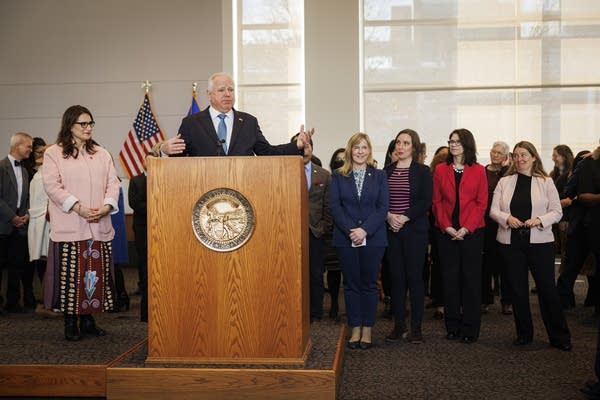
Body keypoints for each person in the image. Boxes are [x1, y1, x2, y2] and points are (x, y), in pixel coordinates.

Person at [43, 105, 120, 341]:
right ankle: (70, 322)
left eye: (90, 123)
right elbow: (53, 186)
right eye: (83, 124)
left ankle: (88, 319)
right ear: (70, 126)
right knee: (71, 277)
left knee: (94, 275)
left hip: (98, 226)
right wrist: (79, 208)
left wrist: (107, 206)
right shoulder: (54, 153)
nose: (88, 128)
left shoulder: (101, 153)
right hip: (71, 225)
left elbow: (113, 183)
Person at [490, 141, 571, 351]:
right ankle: (524, 334)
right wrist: (506, 218)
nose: (520, 159)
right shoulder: (504, 182)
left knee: (547, 290)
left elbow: (556, 211)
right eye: (516, 156)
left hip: (540, 243)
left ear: (534, 157)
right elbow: (493, 211)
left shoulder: (545, 181)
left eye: (524, 155)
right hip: (511, 242)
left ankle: (559, 337)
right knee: (517, 291)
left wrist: (540, 220)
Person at [158, 72, 312, 157]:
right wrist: (165, 149)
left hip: (242, 189)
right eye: (221, 90)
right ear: (209, 94)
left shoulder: (248, 122)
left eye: (231, 90)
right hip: (203, 190)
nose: (227, 94)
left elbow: (267, 152)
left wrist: (296, 145)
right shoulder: (192, 123)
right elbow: (178, 158)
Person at [329, 133, 389, 350]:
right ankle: (355, 326)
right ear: (349, 151)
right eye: (356, 148)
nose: (360, 151)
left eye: (364, 147)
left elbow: (383, 207)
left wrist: (364, 230)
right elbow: (335, 207)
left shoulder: (380, 175)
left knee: (369, 285)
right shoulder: (338, 176)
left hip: (373, 238)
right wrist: (351, 230)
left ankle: (368, 328)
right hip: (346, 239)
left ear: (369, 150)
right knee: (351, 284)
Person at [432, 129, 487, 344]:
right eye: (451, 141)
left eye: (457, 141)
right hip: (446, 233)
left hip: (471, 233)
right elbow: (436, 202)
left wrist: (465, 229)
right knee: (450, 280)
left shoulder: (479, 170)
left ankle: (470, 328)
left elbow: (481, 203)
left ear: (467, 144)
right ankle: (452, 325)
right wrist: (447, 227)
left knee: (471, 281)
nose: (453, 145)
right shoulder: (440, 170)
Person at [383, 129, 432, 344]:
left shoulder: (422, 171)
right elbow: (380, 201)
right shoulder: (386, 171)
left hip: (414, 231)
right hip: (391, 231)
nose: (401, 147)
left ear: (414, 147)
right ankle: (399, 325)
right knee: (396, 279)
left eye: (406, 143)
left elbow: (425, 201)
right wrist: (389, 216)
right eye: (398, 143)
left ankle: (416, 328)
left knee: (414, 279)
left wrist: (404, 217)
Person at [291, 133, 332, 322]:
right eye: (301, 146)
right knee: (292, 275)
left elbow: (328, 206)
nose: (304, 150)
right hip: (291, 233)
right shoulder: (285, 172)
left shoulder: (323, 174)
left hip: (315, 232)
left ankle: (315, 313)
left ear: (312, 149)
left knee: (316, 274)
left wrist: (323, 227)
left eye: (307, 146)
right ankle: (295, 312)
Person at [0, 132, 32, 313]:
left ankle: (12, 302)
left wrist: (25, 215)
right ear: (17, 146)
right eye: (28, 146)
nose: (30, 150)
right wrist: (12, 217)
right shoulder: (1, 166)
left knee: (16, 265)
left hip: (20, 226)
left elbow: (26, 199)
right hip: (3, 225)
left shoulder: (25, 170)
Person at [481, 141, 512, 316]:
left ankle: (507, 301)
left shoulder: (509, 174)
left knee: (506, 263)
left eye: (499, 153)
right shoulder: (482, 171)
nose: (495, 155)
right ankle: (485, 299)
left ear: (506, 156)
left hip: (504, 222)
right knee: (486, 262)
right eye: (493, 151)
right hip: (485, 223)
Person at [427, 146, 448, 320]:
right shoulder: (432, 176)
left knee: (441, 265)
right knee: (440, 265)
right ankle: (440, 301)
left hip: (448, 226)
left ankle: (442, 302)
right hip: (437, 226)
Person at [324, 148, 345, 321]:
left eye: (344, 160)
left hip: (351, 231)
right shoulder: (328, 179)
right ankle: (334, 304)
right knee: (334, 271)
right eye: (338, 160)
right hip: (332, 232)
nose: (341, 163)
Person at [550, 144, 574, 273]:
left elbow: (570, 198)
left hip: (566, 218)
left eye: (555, 155)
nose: (553, 158)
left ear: (564, 156)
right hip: (554, 218)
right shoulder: (554, 174)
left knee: (566, 252)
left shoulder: (572, 173)